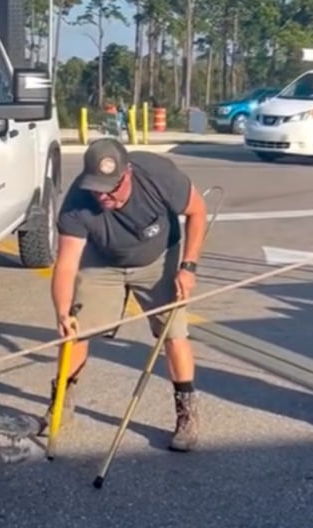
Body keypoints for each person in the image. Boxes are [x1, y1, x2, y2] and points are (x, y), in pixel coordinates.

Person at [40, 137, 209, 452]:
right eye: (96, 188)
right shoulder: (78, 203)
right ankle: (62, 402)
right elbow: (65, 265)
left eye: (111, 188)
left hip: (159, 258)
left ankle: (187, 412)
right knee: (74, 331)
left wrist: (188, 267)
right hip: (102, 261)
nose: (103, 196)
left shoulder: (158, 175)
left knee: (173, 332)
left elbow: (198, 211)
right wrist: (63, 312)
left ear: (127, 173)